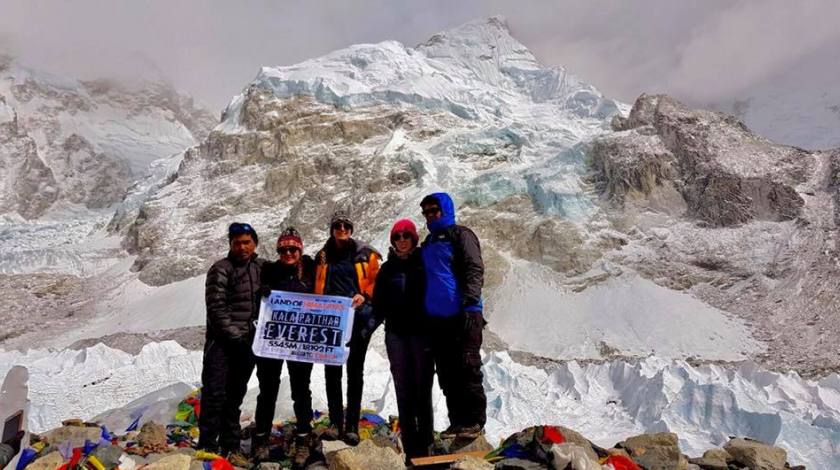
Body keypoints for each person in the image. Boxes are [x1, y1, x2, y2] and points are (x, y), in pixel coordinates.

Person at [419, 193, 487, 439]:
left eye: (434, 210)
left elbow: (474, 267)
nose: (430, 215)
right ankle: (457, 422)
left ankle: (475, 421)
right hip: (437, 320)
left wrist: (470, 303)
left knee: (467, 367)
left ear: (445, 209)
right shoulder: (428, 243)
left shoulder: (461, 235)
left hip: (464, 315)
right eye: (426, 212)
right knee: (447, 372)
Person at [314, 210, 382, 445]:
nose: (342, 229)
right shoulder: (321, 257)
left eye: (346, 225)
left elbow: (377, 287)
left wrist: (364, 296)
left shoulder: (367, 256)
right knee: (332, 373)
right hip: (331, 322)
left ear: (351, 229)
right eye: (337, 225)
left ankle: (352, 425)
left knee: (355, 372)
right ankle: (335, 422)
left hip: (359, 320)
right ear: (332, 229)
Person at [198, 222, 263, 460]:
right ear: (230, 245)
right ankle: (206, 446)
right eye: (237, 243)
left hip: (247, 345)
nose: (242, 247)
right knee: (215, 394)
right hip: (222, 345)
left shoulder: (261, 267)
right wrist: (237, 337)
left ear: (255, 243)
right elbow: (216, 308)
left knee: (235, 396)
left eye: (247, 242)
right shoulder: (220, 269)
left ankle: (231, 446)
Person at [254, 227, 316, 467]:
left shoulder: (309, 270)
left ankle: (303, 439)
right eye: (283, 249)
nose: (288, 253)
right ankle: (261, 439)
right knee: (267, 390)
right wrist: (263, 292)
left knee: (301, 391)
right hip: (273, 341)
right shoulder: (269, 271)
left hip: (300, 342)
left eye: (293, 249)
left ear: (300, 250)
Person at [373, 219, 434, 461]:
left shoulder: (425, 264)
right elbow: (378, 304)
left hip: (421, 334)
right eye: (397, 237)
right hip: (396, 335)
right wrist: (362, 330)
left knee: (423, 388)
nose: (401, 240)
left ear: (414, 238)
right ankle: (410, 446)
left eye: (405, 235)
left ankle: (426, 442)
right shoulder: (387, 269)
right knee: (403, 389)